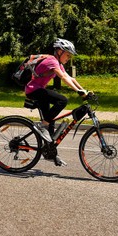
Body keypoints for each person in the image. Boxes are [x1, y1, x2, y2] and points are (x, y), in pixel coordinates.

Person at [24, 38, 88, 166]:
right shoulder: (51, 61)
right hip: (33, 90)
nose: (68, 58)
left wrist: (84, 90)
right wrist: (77, 91)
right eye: (68, 55)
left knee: (51, 125)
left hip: (40, 90)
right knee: (62, 100)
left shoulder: (58, 64)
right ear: (59, 51)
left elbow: (70, 77)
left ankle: (52, 154)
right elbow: (63, 77)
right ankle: (41, 126)